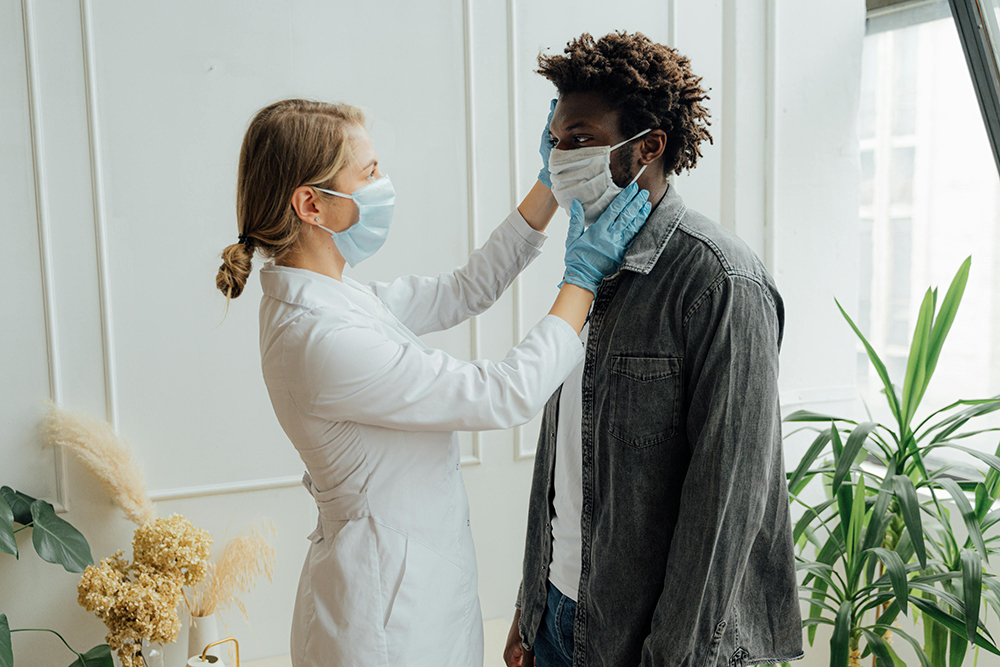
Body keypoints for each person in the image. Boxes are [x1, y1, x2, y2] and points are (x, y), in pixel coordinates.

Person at [214, 98, 650, 667]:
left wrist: (548, 185)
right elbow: (504, 395)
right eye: (369, 173)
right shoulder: (320, 338)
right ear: (311, 204)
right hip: (385, 621)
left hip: (409, 589)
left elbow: (465, 289)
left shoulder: (334, 298)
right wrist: (582, 277)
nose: (384, 185)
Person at [503, 32, 803, 667]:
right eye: (554, 140)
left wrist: (672, 657)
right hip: (557, 616)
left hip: (647, 642)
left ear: (649, 147)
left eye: (579, 139)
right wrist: (532, 606)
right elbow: (564, 460)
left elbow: (726, 504)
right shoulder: (588, 268)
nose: (559, 158)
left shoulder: (721, 281)